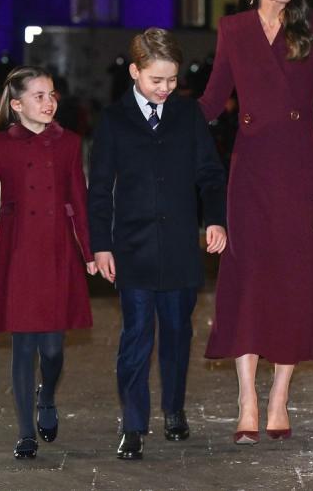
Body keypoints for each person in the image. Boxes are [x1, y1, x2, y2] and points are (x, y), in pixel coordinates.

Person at [197, 0, 313, 445]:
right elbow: (214, 98)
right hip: (251, 171)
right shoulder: (234, 30)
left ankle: (280, 397)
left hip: (302, 169)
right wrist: (158, 120)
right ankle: (246, 398)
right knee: (248, 278)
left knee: (294, 281)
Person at [87, 28, 227, 460]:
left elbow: (210, 175)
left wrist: (216, 221)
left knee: (177, 333)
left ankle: (174, 408)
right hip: (132, 248)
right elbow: (99, 189)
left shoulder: (188, 115)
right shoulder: (113, 120)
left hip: (181, 249)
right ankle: (132, 422)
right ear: (135, 72)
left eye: (171, 80)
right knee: (136, 335)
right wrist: (100, 245)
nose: (165, 89)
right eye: (156, 81)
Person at [0, 66, 95, 460]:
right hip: (18, 250)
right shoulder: (1, 145)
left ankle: (46, 396)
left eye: (52, 94)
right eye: (40, 96)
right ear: (17, 105)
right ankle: (26, 431)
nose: (50, 102)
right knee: (23, 345)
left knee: (53, 348)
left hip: (58, 249)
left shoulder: (69, 143)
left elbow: (79, 200)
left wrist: (91, 252)